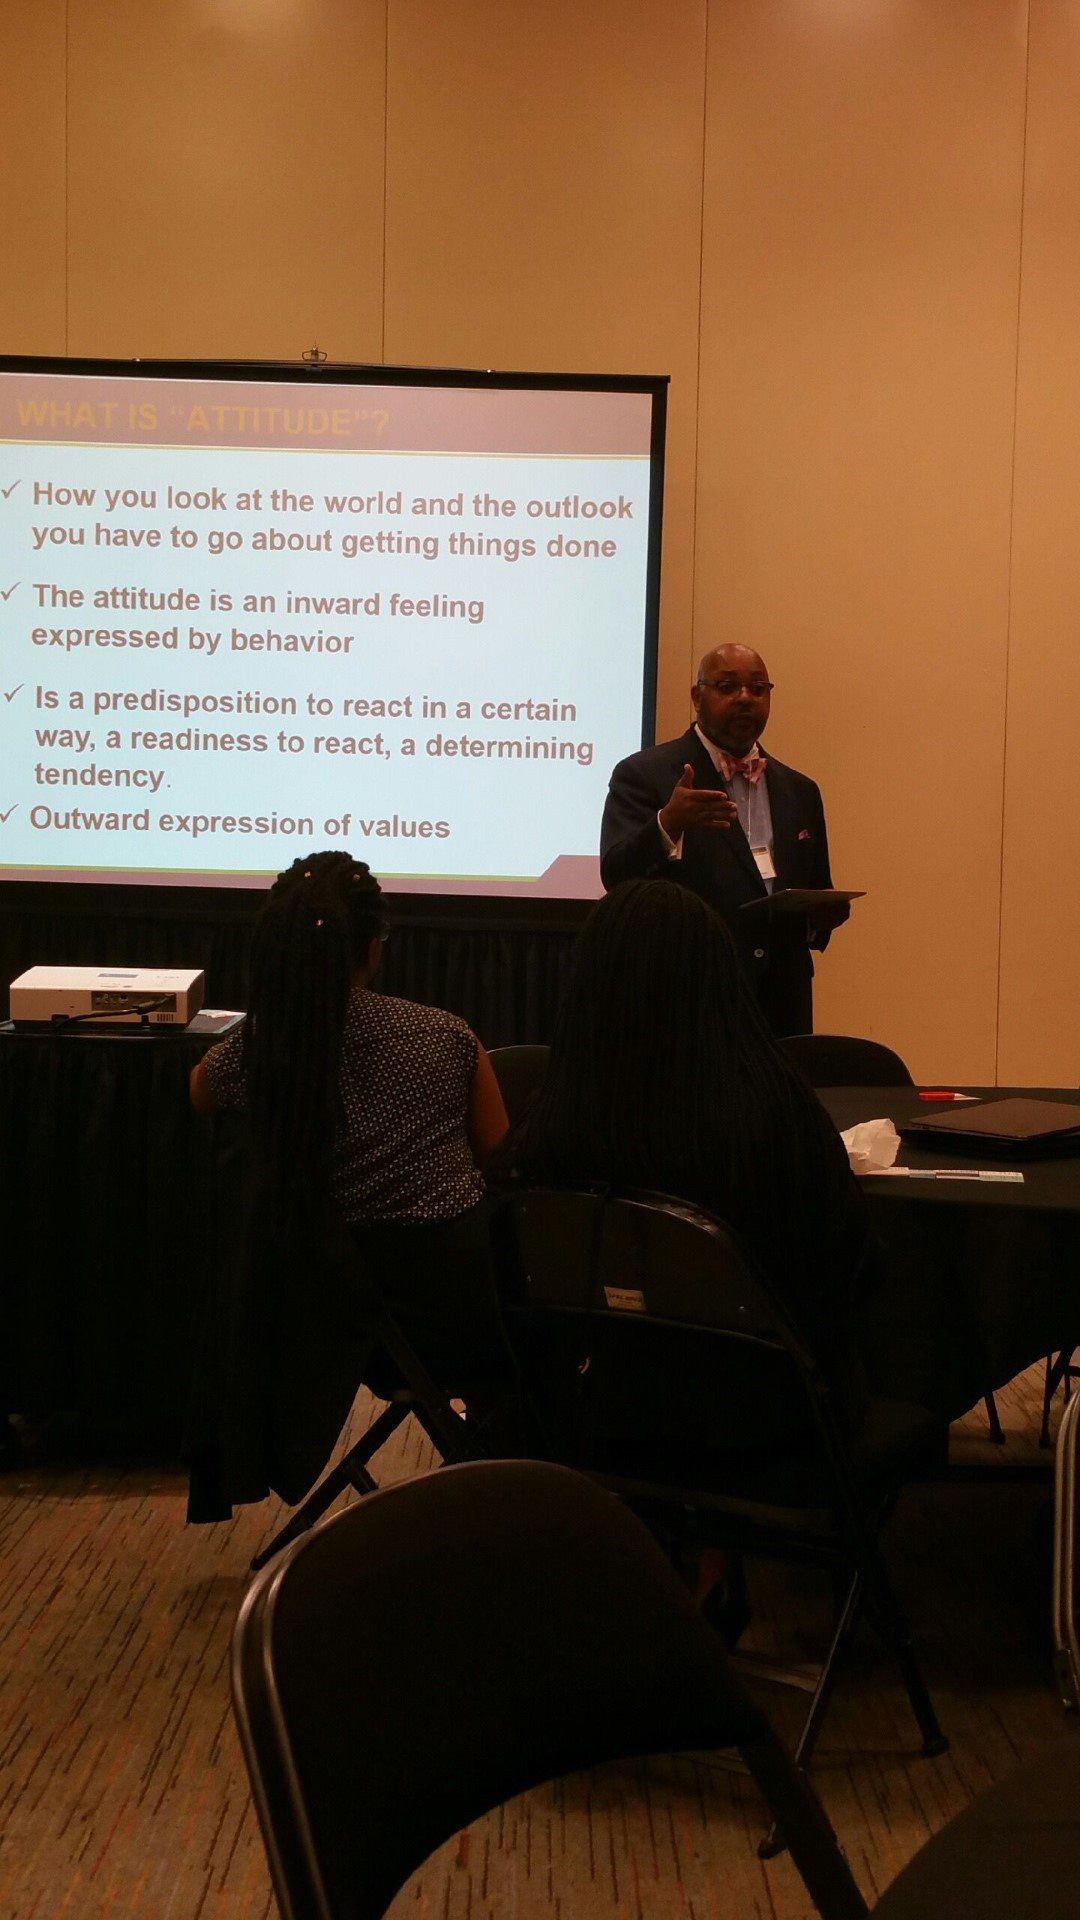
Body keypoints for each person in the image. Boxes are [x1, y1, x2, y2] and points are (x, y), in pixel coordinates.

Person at [187, 851, 511, 1504]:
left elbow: (197, 1093)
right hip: (458, 1322)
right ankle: (501, 1492)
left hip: (319, 1336)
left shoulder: (259, 1055)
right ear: (373, 947)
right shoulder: (444, 1038)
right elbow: (505, 1167)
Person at [600, 643, 849, 1035]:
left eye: (758, 688)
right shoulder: (645, 775)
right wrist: (668, 823)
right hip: (688, 999)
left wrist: (822, 918)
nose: (745, 699)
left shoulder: (800, 789)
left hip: (780, 1005)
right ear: (698, 697)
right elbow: (615, 874)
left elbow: (817, 888)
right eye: (728, 687)